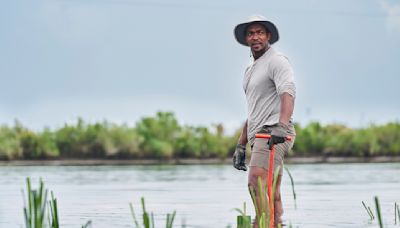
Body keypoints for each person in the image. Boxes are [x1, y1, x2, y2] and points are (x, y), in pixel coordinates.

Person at [232, 15, 296, 228]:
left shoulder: (276, 60)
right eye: (251, 33)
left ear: (268, 36)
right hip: (260, 133)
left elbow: (288, 91)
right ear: (246, 39)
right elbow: (254, 111)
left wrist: (282, 125)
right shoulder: (251, 68)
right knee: (272, 191)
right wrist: (241, 144)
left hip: (272, 132)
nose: (255, 37)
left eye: (260, 32)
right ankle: (276, 224)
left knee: (255, 183)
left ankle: (262, 225)